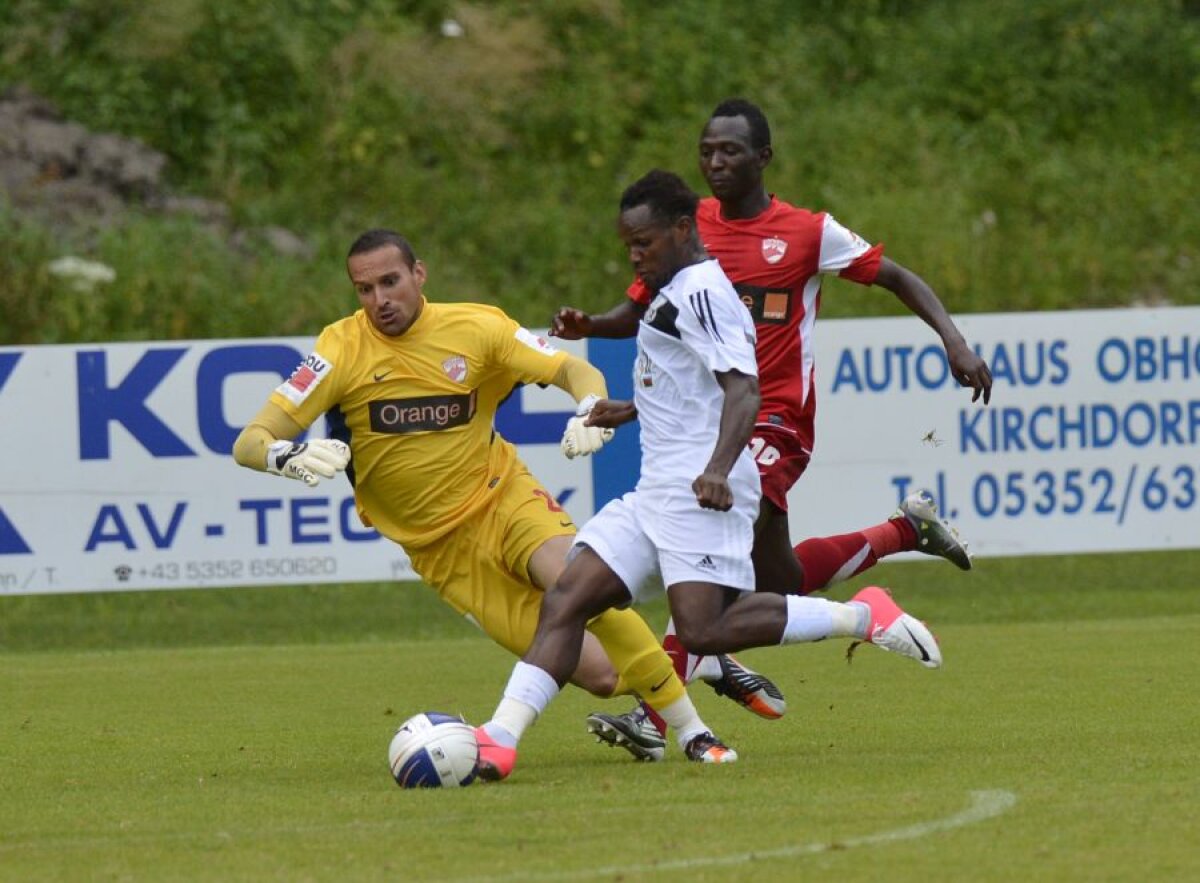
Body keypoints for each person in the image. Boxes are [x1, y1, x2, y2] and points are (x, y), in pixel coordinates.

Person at [553, 99, 993, 761]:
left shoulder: (808, 233)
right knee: (778, 582)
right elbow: (645, 311)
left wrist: (955, 342)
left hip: (775, 419)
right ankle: (904, 530)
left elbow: (896, 276)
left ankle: (656, 708)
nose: (715, 162)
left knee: (696, 551)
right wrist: (594, 325)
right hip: (711, 419)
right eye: (706, 150)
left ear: (763, 158)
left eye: (730, 150)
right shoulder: (686, 226)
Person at [232, 228, 769, 765]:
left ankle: (693, 733)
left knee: (576, 583)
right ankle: (699, 663)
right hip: (440, 551)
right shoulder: (339, 349)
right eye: (364, 290)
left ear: (419, 275)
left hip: (503, 498)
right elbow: (249, 442)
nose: (380, 301)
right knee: (603, 676)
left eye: (390, 282)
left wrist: (588, 406)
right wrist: (285, 456)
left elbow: (571, 368)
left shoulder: (477, 327)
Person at [474, 169, 941, 782]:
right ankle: (500, 738)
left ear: (681, 229)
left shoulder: (700, 291)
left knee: (705, 629)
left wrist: (719, 470)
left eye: (644, 242)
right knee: (567, 598)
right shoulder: (676, 289)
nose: (635, 256)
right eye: (628, 245)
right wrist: (635, 408)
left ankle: (863, 616)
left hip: (703, 489)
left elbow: (743, 390)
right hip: (657, 487)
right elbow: (691, 386)